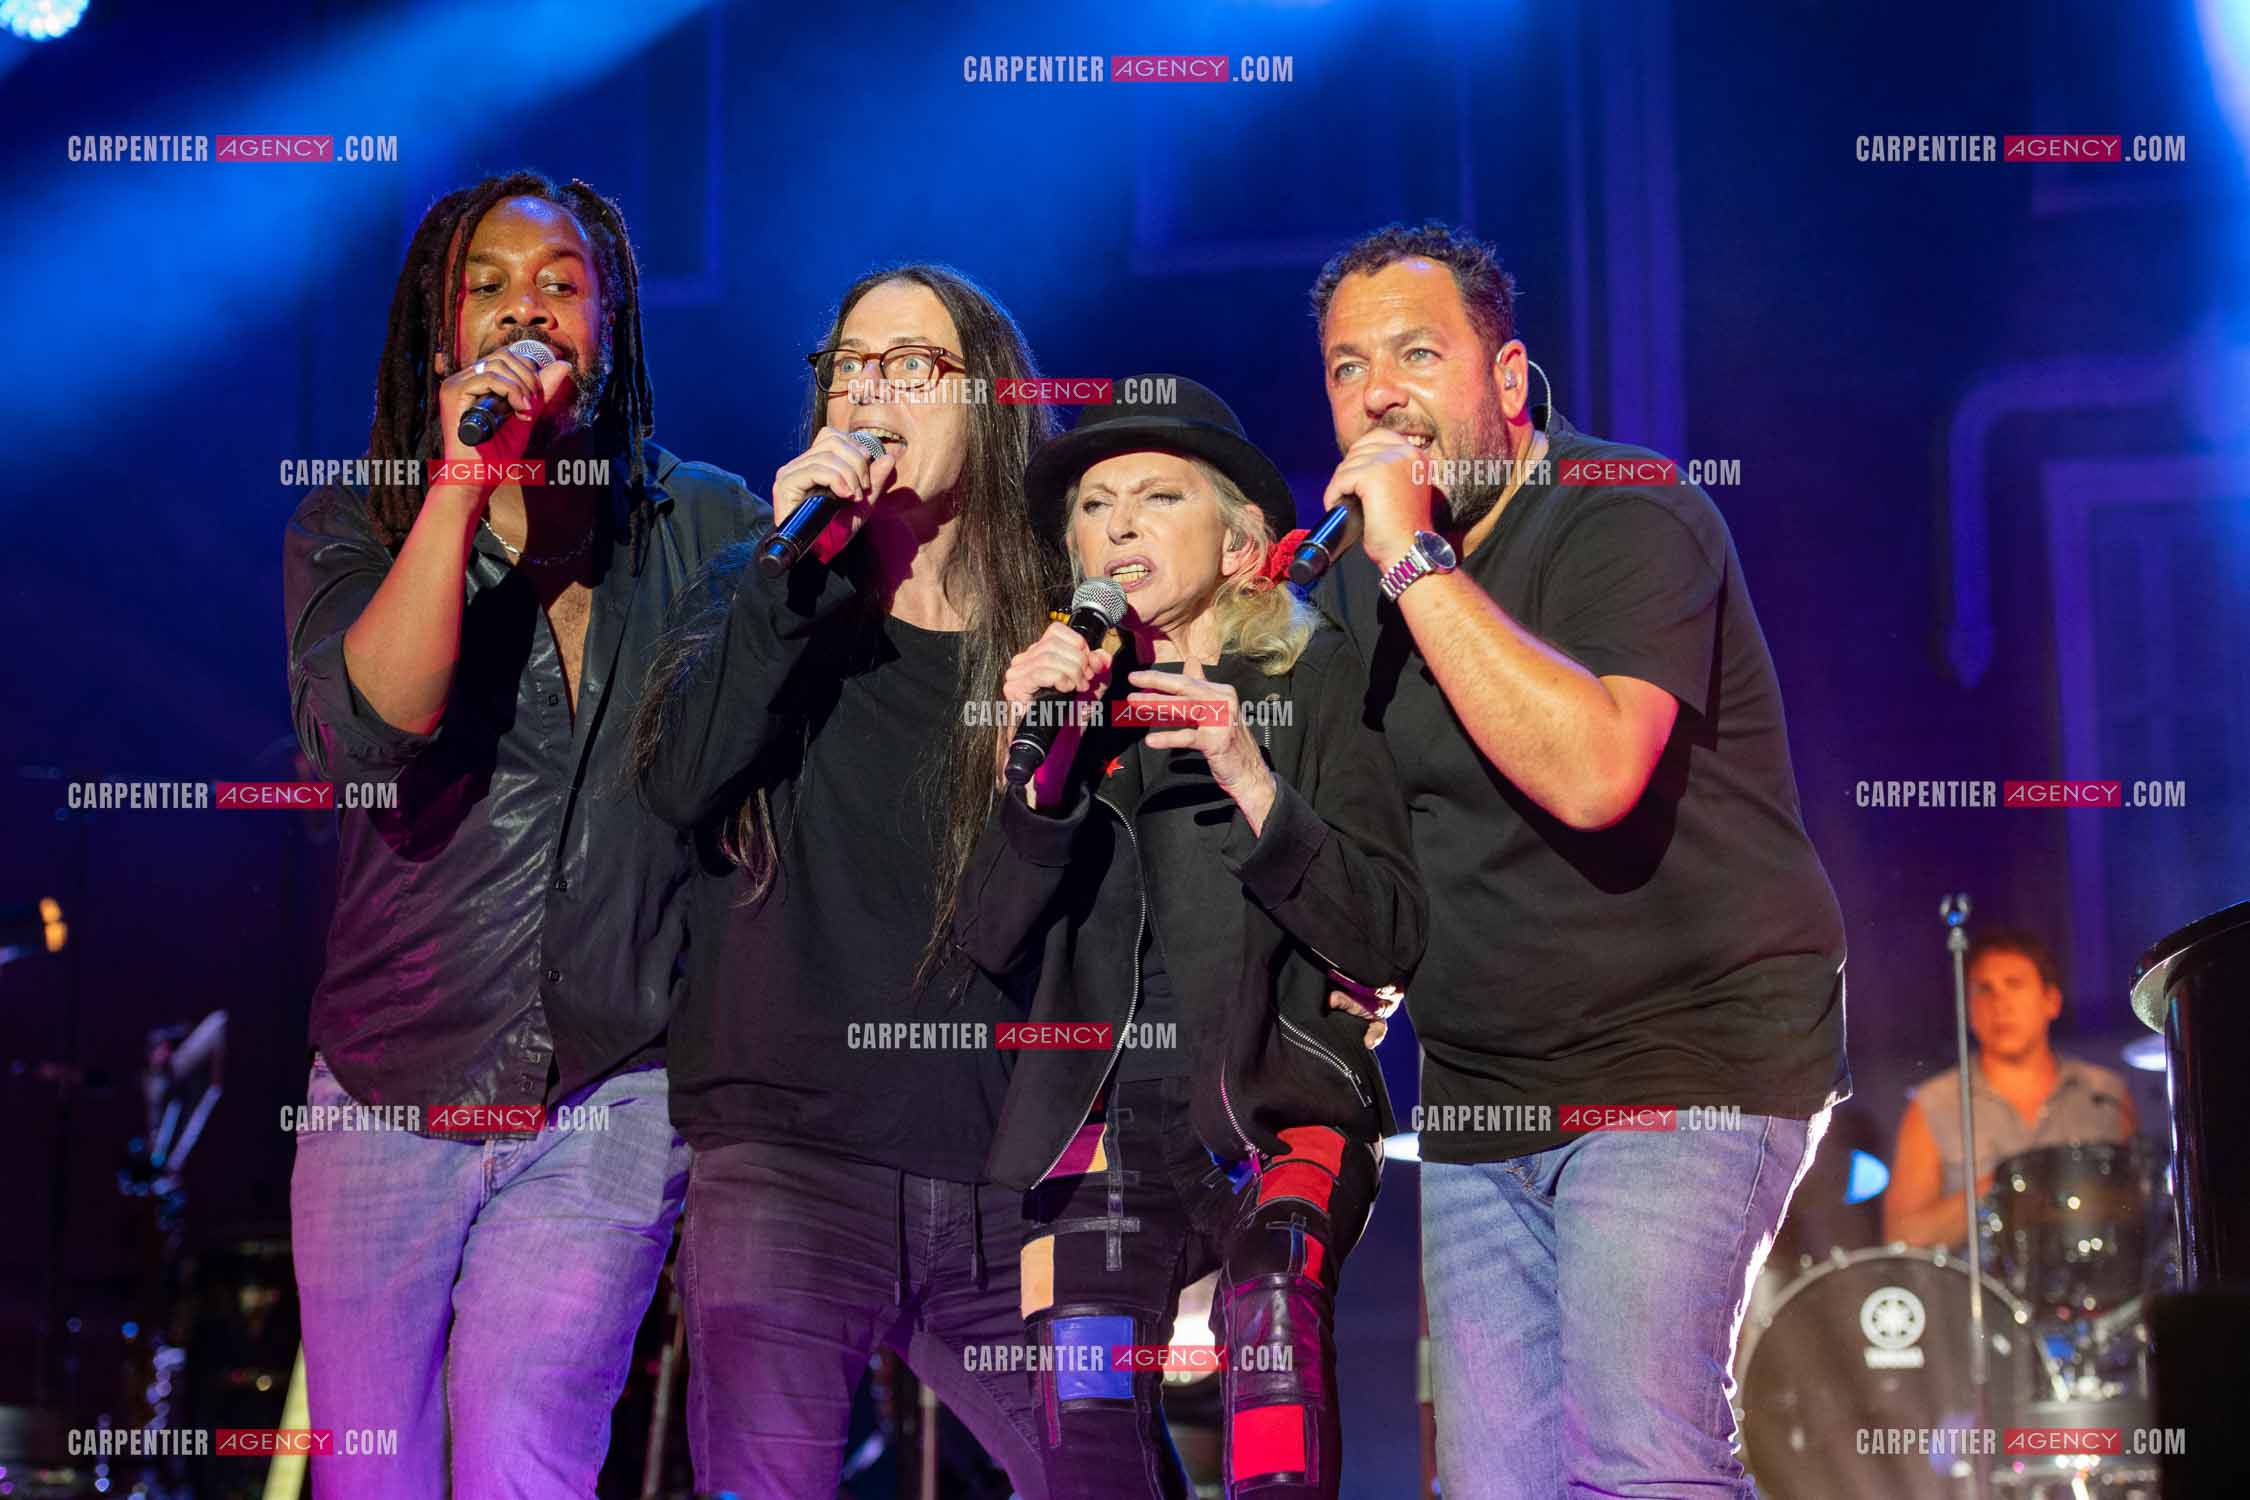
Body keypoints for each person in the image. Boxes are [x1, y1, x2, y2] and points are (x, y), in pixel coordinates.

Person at [1307, 221, 1848, 1498]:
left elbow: (1595, 772)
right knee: (1494, 1487)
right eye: (1344, 368)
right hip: (1489, 1085)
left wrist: (1412, 556)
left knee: (1638, 1455)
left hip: (1687, 1050)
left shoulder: (1628, 510)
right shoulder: (1350, 587)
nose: (1377, 393)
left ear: (1507, 381)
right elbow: (1372, 837)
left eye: (1416, 354)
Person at [283, 172, 759, 1498]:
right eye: (483, 285)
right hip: (388, 1078)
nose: (521, 310)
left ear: (611, 320)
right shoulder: (356, 519)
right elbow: (375, 733)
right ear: (439, 337)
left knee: (526, 1450)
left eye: (559, 282)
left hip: (613, 1081)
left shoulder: (707, 525)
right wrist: (457, 490)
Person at [631, 264, 1058, 1497]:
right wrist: (785, 576)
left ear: (991, 399)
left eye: (914, 364)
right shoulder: (767, 591)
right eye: (852, 366)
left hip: (1000, 1173)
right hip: (788, 1156)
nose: (875, 389)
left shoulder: (1056, 637)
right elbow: (679, 784)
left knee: (1113, 1473)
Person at [956, 379, 1425, 1499]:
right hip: (1104, 1126)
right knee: (1086, 1424)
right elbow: (985, 940)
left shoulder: (1312, 674)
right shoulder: (1063, 709)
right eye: (1093, 504)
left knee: (1272, 1338)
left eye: (1158, 496)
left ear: (1243, 539)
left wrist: (1248, 772)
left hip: (1277, 1108)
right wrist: (1035, 764)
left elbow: (1387, 933)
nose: (1115, 524)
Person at [1882, 927, 2136, 1248]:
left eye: (2014, 985)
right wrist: (2003, 1187)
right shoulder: (1932, 1105)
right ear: (1968, 1009)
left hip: (2096, 1292)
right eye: (1984, 990)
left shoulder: (2106, 1095)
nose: (2000, 1004)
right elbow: (1903, 1238)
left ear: (2051, 1000)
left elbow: (2138, 1215)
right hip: (1979, 1296)